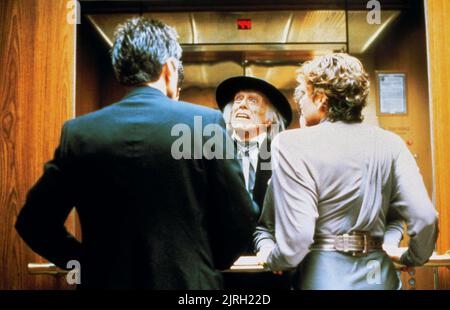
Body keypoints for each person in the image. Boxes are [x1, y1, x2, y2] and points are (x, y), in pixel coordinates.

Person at [15, 17, 257, 289]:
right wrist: (207, 261)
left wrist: (84, 262)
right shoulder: (203, 124)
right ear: (169, 69)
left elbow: (33, 222)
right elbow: (242, 217)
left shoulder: (80, 134)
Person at [254, 53, 438, 290]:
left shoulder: (290, 143)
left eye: (304, 93)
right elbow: (425, 217)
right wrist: (412, 258)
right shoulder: (391, 143)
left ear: (320, 98)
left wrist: (274, 258)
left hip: (322, 278)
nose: (300, 101)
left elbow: (297, 238)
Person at [216, 76, 293, 289]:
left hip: (273, 271)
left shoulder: (286, 155)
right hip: (221, 271)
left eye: (252, 100)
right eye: (238, 99)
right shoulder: (212, 152)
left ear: (269, 119)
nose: (241, 104)